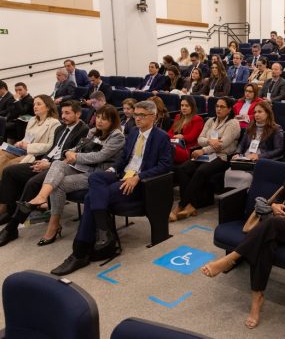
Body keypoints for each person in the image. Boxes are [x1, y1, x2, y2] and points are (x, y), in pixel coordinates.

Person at [202, 132, 285, 329]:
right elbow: (283, 197)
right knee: (267, 243)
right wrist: (276, 207)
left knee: (271, 225)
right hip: (283, 222)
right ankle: (257, 299)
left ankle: (230, 258)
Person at [50, 101, 172, 276]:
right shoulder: (132, 133)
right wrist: (112, 169)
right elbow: (123, 159)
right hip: (122, 175)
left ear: (153, 116)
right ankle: (103, 230)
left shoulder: (161, 137)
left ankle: (79, 253)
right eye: (135, 114)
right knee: (96, 176)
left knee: (90, 198)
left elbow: (165, 166)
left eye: (141, 115)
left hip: (140, 182)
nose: (137, 118)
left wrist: (138, 177)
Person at [0, 105, 124, 246]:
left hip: (97, 173)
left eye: (104, 119)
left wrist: (74, 156)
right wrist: (68, 153)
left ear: (113, 121)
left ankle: (53, 224)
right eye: (98, 117)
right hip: (80, 166)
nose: (99, 121)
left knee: (57, 184)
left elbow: (99, 156)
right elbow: (76, 147)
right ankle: (41, 197)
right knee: (57, 164)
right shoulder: (93, 131)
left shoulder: (117, 136)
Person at [0, 100, 88, 227]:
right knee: (10, 171)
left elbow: (73, 157)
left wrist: (49, 165)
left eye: (67, 113)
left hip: (60, 167)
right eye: (62, 113)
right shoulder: (61, 128)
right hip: (47, 162)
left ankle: (13, 225)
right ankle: (9, 210)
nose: (63, 116)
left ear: (78, 114)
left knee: (32, 182)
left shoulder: (83, 130)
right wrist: (45, 160)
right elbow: (53, 148)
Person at [171, 97, 241, 220]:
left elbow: (222, 145)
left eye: (222, 107)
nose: (218, 109)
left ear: (229, 109)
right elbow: (200, 139)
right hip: (207, 155)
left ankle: (181, 205)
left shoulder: (233, 123)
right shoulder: (210, 121)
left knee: (201, 171)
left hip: (222, 157)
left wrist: (204, 149)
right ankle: (190, 204)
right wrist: (209, 141)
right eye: (217, 106)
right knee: (183, 168)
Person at [224, 101, 284, 189]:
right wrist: (237, 153)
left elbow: (279, 150)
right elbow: (242, 144)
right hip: (245, 159)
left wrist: (259, 156)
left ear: (268, 113)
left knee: (246, 177)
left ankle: (244, 198)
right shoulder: (251, 126)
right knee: (228, 173)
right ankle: (230, 198)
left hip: (260, 161)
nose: (256, 114)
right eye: (255, 112)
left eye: (260, 112)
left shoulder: (276, 129)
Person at [0, 95, 61, 176]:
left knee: (10, 163)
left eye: (39, 104)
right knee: (1, 154)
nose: (35, 107)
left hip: (35, 155)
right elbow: (26, 138)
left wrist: (28, 146)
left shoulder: (54, 123)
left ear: (48, 107)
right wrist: (20, 143)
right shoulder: (32, 120)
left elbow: (50, 146)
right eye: (34, 104)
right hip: (22, 150)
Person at [168, 96, 204, 164]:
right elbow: (168, 133)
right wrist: (176, 138)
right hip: (174, 144)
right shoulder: (178, 117)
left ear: (192, 107)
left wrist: (182, 137)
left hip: (187, 149)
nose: (184, 108)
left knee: (167, 147)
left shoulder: (197, 119)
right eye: (182, 105)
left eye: (187, 106)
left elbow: (191, 137)